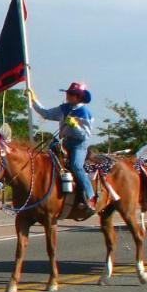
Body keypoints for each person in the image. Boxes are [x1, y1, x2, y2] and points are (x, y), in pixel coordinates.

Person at [27, 81, 96, 211]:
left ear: (79, 96)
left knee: (76, 166)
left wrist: (75, 125)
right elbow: (46, 113)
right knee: (47, 159)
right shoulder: (63, 108)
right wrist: (33, 99)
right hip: (65, 142)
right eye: (68, 93)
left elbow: (84, 135)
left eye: (71, 94)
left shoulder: (84, 112)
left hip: (78, 145)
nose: (68, 95)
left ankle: (90, 195)